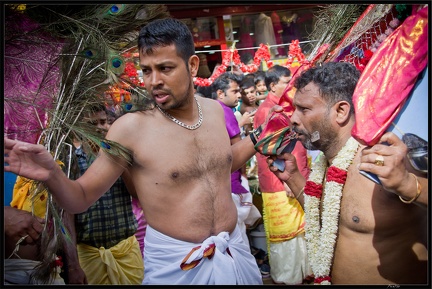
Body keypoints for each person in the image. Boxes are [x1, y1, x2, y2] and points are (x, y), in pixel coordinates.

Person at [4, 17, 263, 285]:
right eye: (146, 70)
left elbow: (221, 165)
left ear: (192, 65)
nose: (154, 81)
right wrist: (51, 175)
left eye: (165, 68)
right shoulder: (130, 129)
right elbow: (80, 198)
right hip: (176, 265)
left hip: (233, 251)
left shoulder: (213, 111)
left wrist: (260, 136)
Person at [268, 62, 428, 284]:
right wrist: (294, 180)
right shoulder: (326, 162)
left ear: (341, 111)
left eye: (304, 109)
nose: (293, 118)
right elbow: (331, 218)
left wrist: (408, 184)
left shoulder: (382, 160)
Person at [67, 103, 144, 284]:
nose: (100, 128)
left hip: (126, 253)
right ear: (80, 128)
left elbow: (137, 193)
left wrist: (118, 159)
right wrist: (72, 265)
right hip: (90, 256)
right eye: (93, 124)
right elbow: (66, 215)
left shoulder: (122, 153)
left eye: (104, 122)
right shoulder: (73, 159)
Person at [253, 64, 312, 284]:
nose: (291, 86)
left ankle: (302, 275)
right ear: (272, 86)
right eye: (286, 82)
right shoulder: (268, 111)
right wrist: (287, 182)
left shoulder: (284, 107)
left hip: (292, 178)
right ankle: (289, 278)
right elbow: (272, 150)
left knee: (299, 234)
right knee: (288, 236)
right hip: (281, 183)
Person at [211, 72, 261, 248]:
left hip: (217, 181)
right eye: (235, 91)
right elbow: (238, 151)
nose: (240, 95)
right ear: (220, 93)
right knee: (237, 236)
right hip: (231, 181)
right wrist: (244, 176)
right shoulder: (224, 112)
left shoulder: (210, 111)